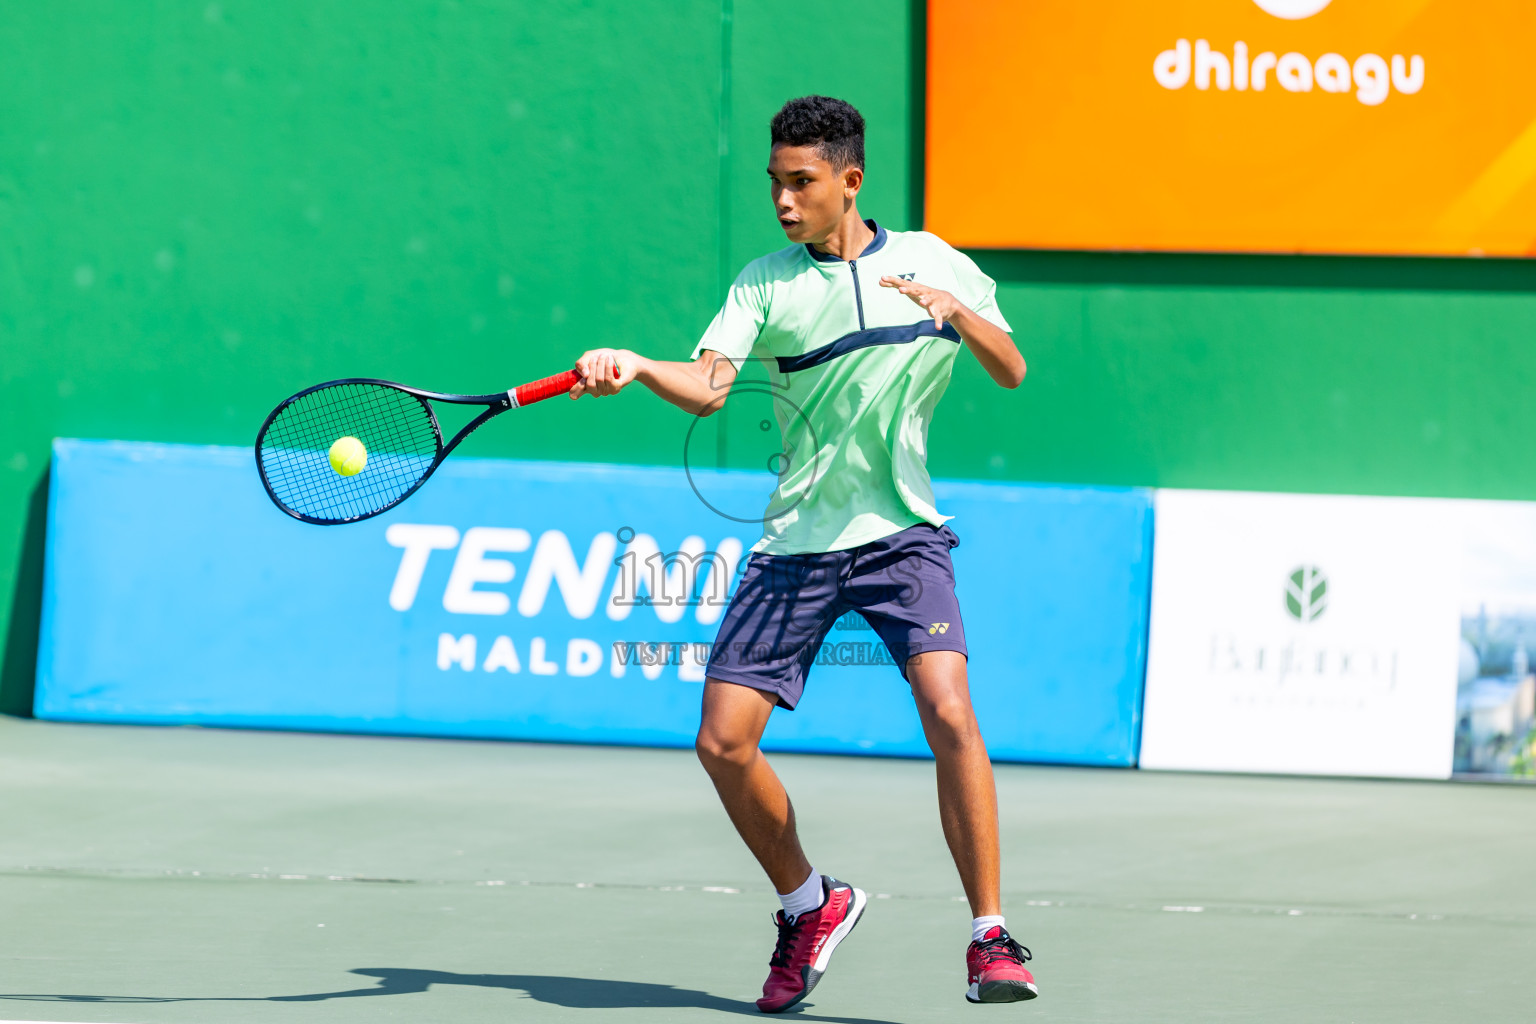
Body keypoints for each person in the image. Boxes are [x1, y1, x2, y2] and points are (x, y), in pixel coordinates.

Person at [570, 95, 1034, 1011]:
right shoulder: (765, 283)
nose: (784, 200)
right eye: (776, 184)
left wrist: (956, 313)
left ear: (849, 181)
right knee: (722, 743)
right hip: (797, 547)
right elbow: (707, 388)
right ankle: (809, 904)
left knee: (948, 711)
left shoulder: (932, 261)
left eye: (802, 182)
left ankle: (990, 937)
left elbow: (1012, 367)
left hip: (902, 535)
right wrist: (633, 364)